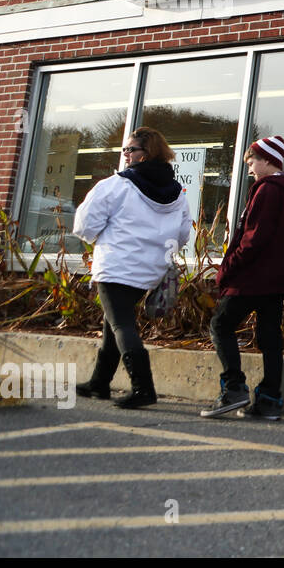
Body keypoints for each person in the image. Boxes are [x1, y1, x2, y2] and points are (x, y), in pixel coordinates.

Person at [73, 126, 192, 409]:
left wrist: (96, 238)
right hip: (149, 271)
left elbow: (84, 225)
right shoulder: (177, 194)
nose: (125, 154)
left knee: (122, 325)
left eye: (130, 150)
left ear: (144, 154)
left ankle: (144, 388)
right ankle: (99, 383)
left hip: (116, 266)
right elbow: (183, 234)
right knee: (114, 324)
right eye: (124, 150)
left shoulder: (117, 185)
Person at [200, 135, 284, 421]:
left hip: (252, 278)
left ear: (268, 161)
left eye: (252, 161)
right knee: (270, 337)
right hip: (277, 281)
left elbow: (252, 239)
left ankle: (233, 389)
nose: (249, 167)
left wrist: (227, 269)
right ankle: (269, 400)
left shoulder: (267, 191)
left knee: (220, 324)